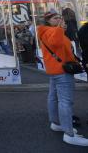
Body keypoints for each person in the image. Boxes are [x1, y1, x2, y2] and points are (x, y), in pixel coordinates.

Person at [37, 10, 88, 146]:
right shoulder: (51, 31)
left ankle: (57, 123)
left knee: (53, 97)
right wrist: (60, 28)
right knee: (66, 101)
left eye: (60, 17)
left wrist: (60, 29)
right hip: (61, 71)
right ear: (48, 20)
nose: (59, 20)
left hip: (55, 70)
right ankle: (69, 134)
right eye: (55, 18)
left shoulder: (48, 30)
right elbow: (56, 43)